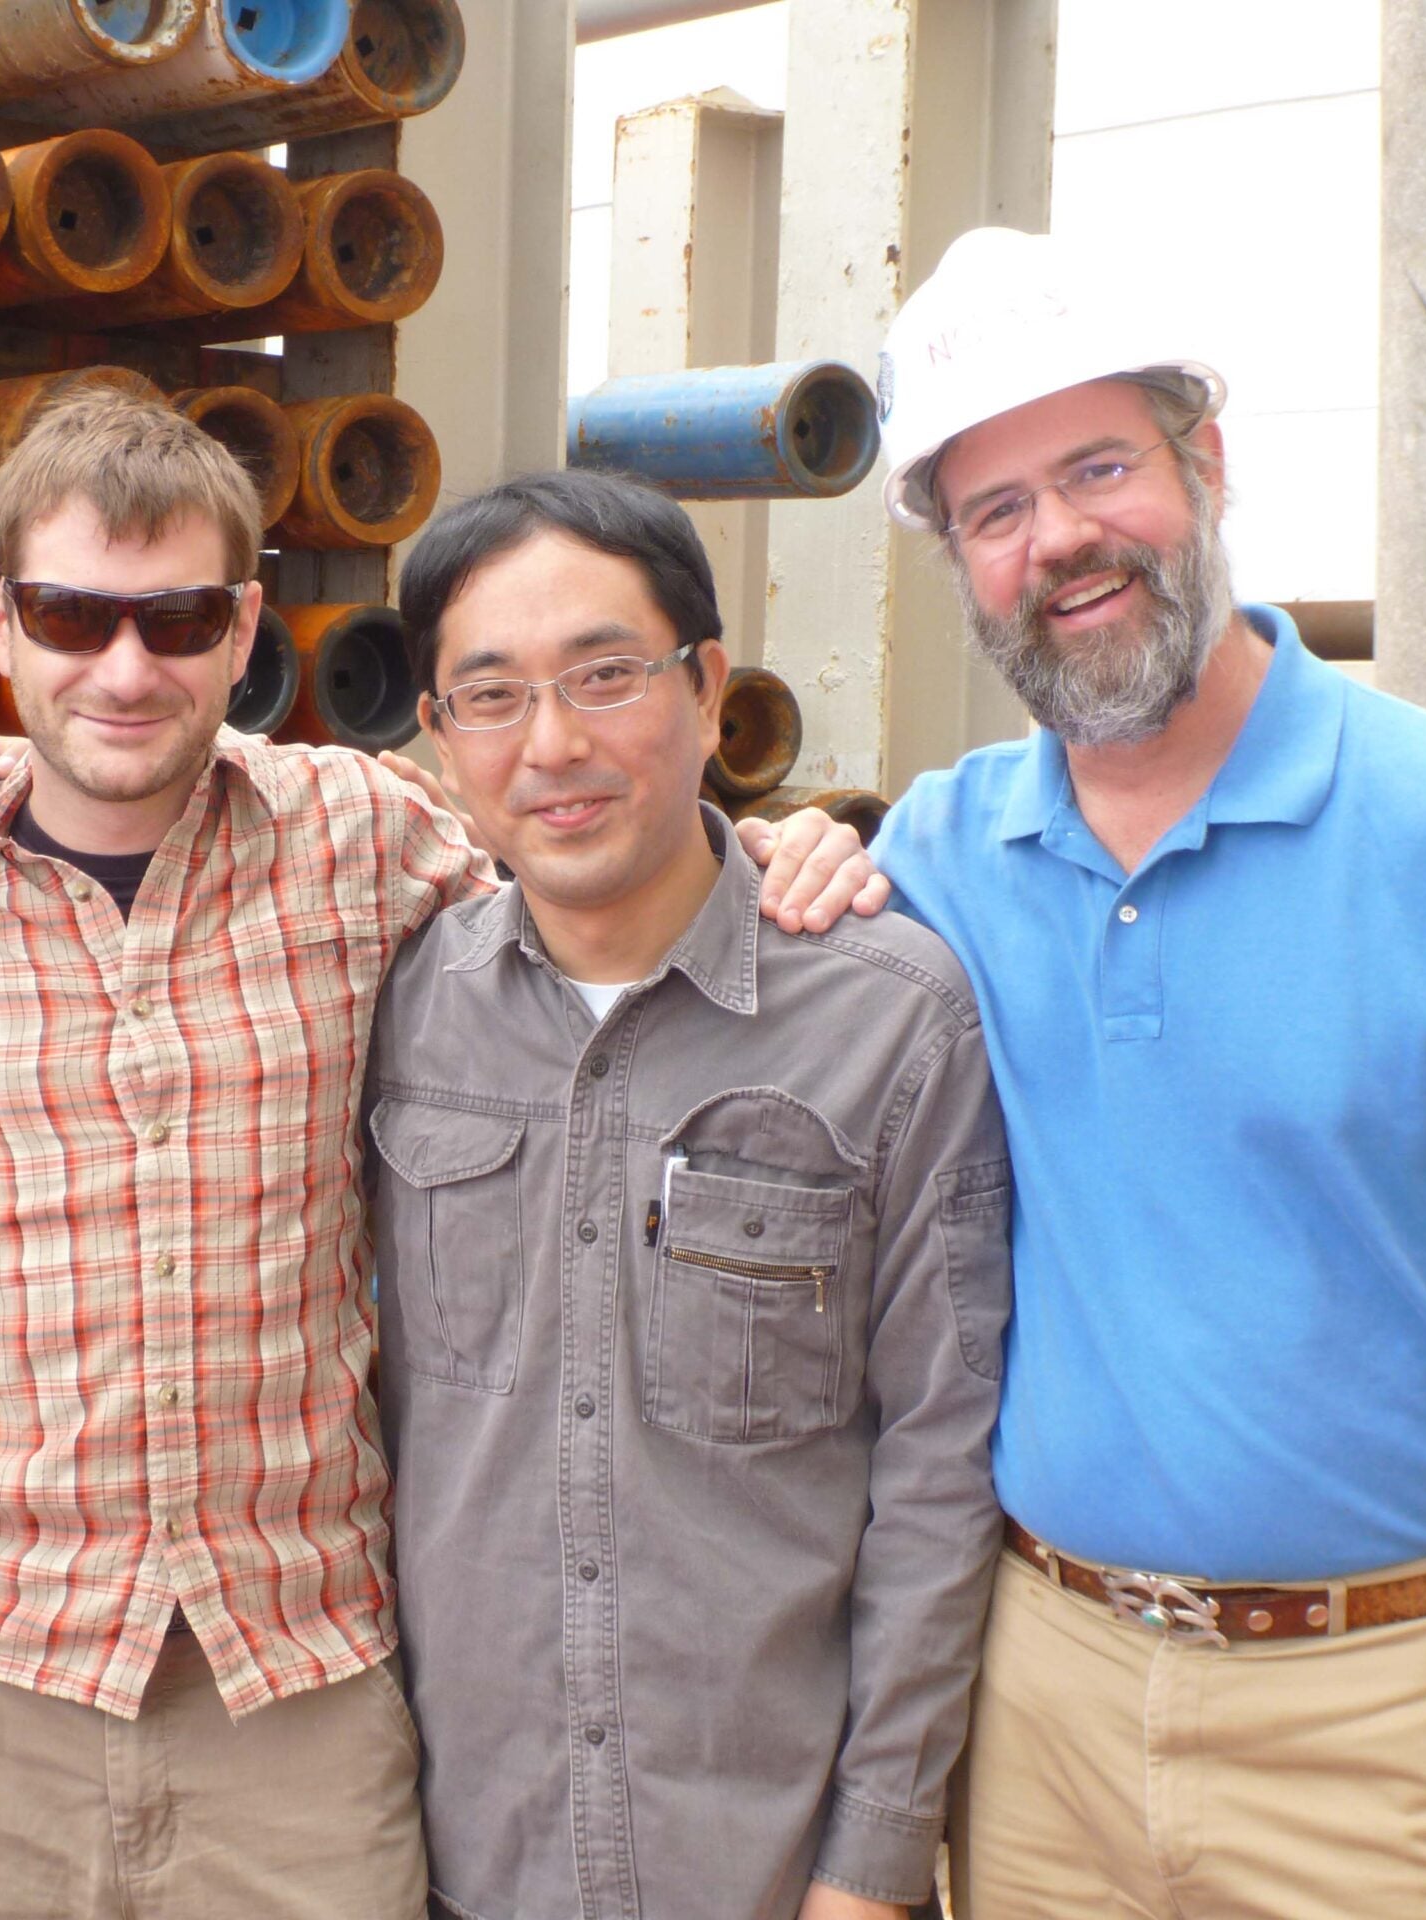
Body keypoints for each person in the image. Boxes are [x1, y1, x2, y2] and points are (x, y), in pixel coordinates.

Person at [0, 391, 882, 1920]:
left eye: (179, 620)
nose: (126, 668)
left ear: (246, 626)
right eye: (72, 615)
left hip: (297, 1688)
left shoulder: (362, 837)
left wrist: (778, 838)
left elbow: (599, 862)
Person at [863, 226, 1426, 1919]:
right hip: (1038, 1716)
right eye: (997, 510)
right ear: (960, 564)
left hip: (1396, 1732)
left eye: (1099, 469)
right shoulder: (940, 853)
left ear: (1204, 464)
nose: (1059, 540)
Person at [363, 468, 1007, 1920]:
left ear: (710, 688)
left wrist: (875, 1862)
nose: (555, 745)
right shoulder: (393, 1010)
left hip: (761, 1869)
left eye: (606, 675)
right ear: (438, 741)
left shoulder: (890, 1019)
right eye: (493, 696)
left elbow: (936, 1461)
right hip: (449, 1855)